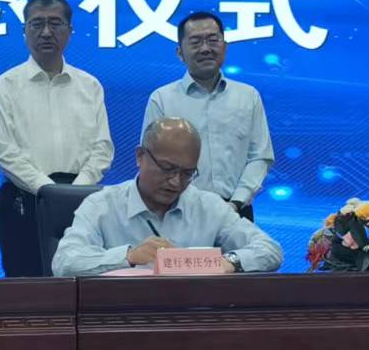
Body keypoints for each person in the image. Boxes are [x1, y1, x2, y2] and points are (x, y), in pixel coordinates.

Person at [53, 117, 282, 278]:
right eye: (167, 168)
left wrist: (225, 262)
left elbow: (270, 249)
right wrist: (129, 256)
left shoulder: (208, 206)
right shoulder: (101, 205)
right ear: (140, 156)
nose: (176, 182)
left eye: (187, 173)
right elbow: (64, 262)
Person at [0, 0, 113, 277]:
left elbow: (102, 148)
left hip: (82, 201)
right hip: (24, 199)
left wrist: (75, 192)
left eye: (55, 24)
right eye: (37, 24)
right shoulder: (6, 85)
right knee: (25, 288)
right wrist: (50, 192)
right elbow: (4, 151)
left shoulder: (89, 85)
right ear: (24, 31)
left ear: (69, 31)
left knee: (81, 283)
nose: (46, 32)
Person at [141, 10, 274, 220]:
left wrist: (236, 203)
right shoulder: (162, 99)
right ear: (179, 52)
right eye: (195, 42)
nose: (205, 48)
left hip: (237, 211)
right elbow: (152, 160)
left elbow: (260, 156)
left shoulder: (248, 96)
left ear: (224, 47)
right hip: (178, 212)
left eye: (213, 40)